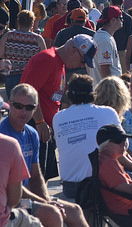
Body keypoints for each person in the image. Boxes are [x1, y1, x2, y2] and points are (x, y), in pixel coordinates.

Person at [0, 84, 88, 227]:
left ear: (35, 109)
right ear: (9, 104)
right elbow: (13, 189)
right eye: (18, 106)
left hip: (26, 196)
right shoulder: (4, 136)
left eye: (29, 107)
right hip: (9, 200)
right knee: (52, 213)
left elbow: (36, 176)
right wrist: (45, 203)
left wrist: (46, 199)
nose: (23, 111)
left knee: (75, 210)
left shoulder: (32, 133)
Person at [20, 34, 96, 181]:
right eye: (83, 60)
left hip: (44, 128)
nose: (82, 66)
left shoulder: (59, 63)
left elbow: (52, 99)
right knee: (34, 180)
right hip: (34, 126)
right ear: (73, 49)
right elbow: (27, 92)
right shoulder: (47, 59)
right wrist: (40, 122)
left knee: (43, 178)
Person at [52, 74, 121, 199]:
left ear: (69, 96)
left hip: (70, 188)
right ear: (93, 94)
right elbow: (123, 146)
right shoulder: (108, 112)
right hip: (100, 185)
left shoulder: (58, 117)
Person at [0, 10, 46, 99]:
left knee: (12, 101)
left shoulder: (8, 35)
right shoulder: (38, 39)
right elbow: (44, 59)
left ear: (18, 22)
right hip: (30, 75)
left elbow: (1, 54)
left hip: (11, 74)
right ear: (32, 23)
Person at [0, 132, 40, 226]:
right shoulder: (10, 144)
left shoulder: (31, 133)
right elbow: (14, 199)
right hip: (3, 220)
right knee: (52, 216)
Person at [90, 6, 123, 83]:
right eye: (120, 18)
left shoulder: (105, 36)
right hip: (107, 88)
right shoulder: (104, 39)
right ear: (113, 20)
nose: (122, 20)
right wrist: (110, 88)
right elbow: (105, 68)